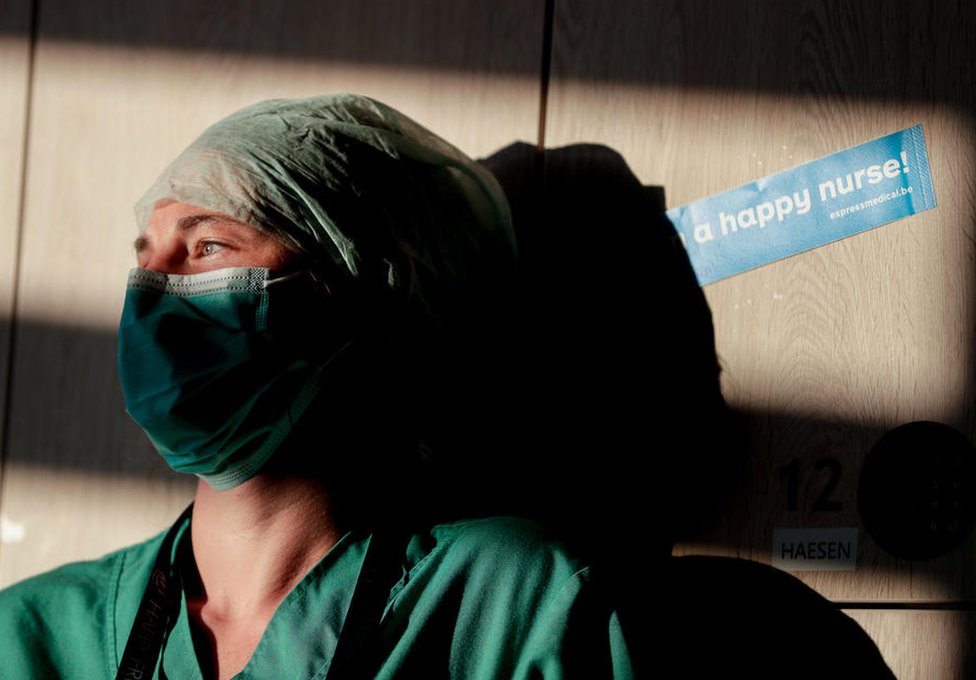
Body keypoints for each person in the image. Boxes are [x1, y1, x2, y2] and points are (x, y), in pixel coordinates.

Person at [0, 94, 634, 679]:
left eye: (208, 246)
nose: (150, 292)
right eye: (146, 259)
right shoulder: (30, 636)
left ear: (360, 295)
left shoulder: (510, 603)